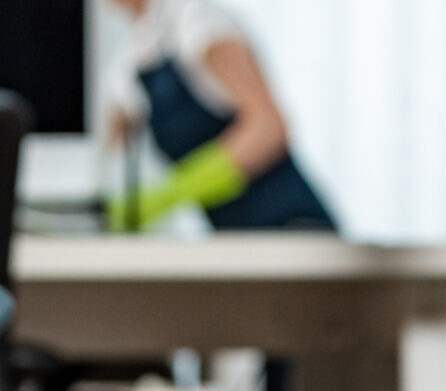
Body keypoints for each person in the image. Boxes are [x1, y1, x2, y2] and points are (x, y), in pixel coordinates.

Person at [102, 0, 338, 231]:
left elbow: (269, 127)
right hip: (234, 241)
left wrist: (173, 193)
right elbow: (112, 154)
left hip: (293, 229)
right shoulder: (128, 66)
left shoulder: (199, 21)